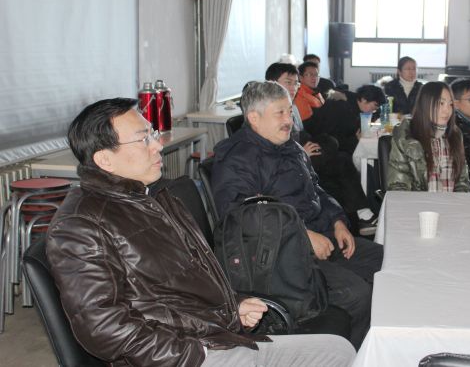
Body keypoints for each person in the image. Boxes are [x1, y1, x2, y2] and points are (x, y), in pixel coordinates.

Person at [46, 98, 356, 367]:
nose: (157, 145)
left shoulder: (155, 195)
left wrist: (235, 304)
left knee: (338, 351)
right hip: (183, 357)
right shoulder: (79, 225)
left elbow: (197, 275)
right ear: (105, 159)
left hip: (214, 335)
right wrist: (194, 354)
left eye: (152, 134)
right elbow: (103, 327)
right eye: (143, 139)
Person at [210, 82, 384, 349]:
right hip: (280, 257)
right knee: (357, 294)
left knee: (385, 261)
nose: (288, 120)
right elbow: (244, 219)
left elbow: (316, 190)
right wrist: (303, 236)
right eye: (279, 113)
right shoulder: (237, 158)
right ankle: (353, 356)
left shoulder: (289, 146)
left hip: (319, 235)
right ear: (254, 117)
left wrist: (337, 221)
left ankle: (386, 342)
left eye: (289, 112)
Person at [265, 63, 377, 235]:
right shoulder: (266, 112)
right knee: (337, 150)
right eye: (288, 82)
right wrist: (302, 153)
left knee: (339, 153)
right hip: (291, 164)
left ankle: (362, 216)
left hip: (303, 154)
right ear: (271, 83)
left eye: (295, 83)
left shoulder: (292, 108)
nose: (293, 87)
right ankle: (362, 215)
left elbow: (302, 134)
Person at [387, 81, 470, 192]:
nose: (447, 110)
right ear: (425, 104)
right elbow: (398, 185)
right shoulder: (406, 135)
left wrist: (459, 200)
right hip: (418, 202)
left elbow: (462, 183)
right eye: (441, 103)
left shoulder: (455, 135)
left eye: (450, 104)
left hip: (451, 202)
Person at [307, 84, 387, 156]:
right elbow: (333, 138)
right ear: (364, 99)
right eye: (375, 106)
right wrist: (356, 140)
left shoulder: (356, 105)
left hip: (340, 144)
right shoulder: (341, 107)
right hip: (324, 146)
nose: (375, 110)